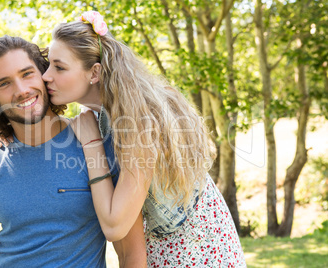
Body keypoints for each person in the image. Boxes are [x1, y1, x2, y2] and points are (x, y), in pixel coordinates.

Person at [41, 11, 246, 267]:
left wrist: (91, 143)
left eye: (59, 67)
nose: (46, 76)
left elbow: (115, 225)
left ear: (94, 73)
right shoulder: (109, 110)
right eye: (49, 64)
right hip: (172, 243)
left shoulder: (138, 121)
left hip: (193, 249)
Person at [0, 35, 146, 267]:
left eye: (27, 74)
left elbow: (131, 255)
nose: (22, 90)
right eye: (4, 83)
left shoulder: (98, 147)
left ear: (45, 75)